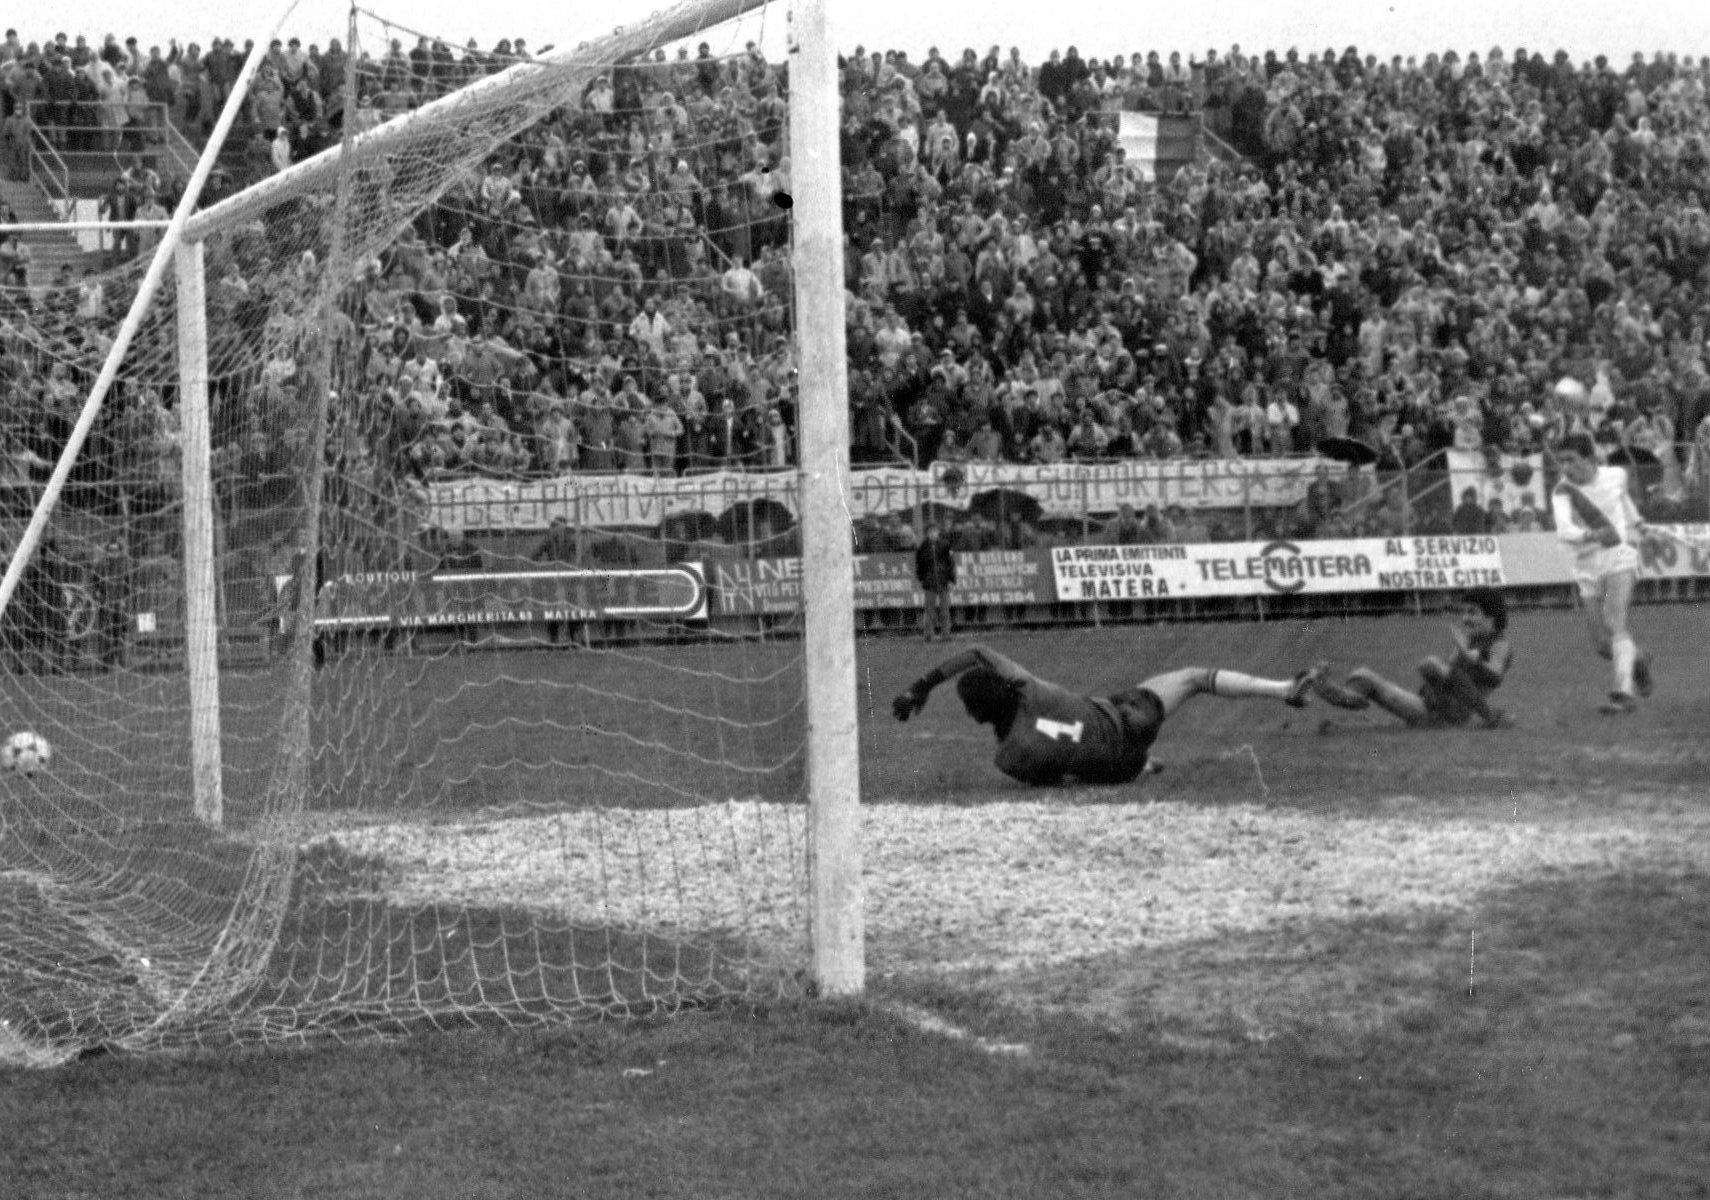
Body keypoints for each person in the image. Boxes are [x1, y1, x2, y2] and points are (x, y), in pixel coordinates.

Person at [892, 646, 1321, 786]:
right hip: (1128, 716)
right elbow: (978, 652)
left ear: (975, 715)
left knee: (1088, 759)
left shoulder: (1009, 757)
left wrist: (1131, 767)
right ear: (1002, 688)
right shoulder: (1029, 689)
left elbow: (1064, 779)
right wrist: (921, 685)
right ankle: (1284, 689)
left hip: (1118, 765)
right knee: (1195, 678)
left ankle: (1146, 763)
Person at [1549, 433, 1655, 715]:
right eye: (1562, 462)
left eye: (1571, 460)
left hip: (1619, 555)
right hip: (1586, 564)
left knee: (1613, 619)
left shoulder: (1616, 475)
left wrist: (1638, 523)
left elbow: (1624, 499)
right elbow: (1565, 531)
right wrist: (1593, 534)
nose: (1566, 467)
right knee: (1601, 645)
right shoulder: (1562, 490)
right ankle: (1639, 661)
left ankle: (1622, 693)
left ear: (1590, 458)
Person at [1309, 589, 1513, 729]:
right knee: (1363, 677)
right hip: (1434, 705)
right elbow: (1451, 677)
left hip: (1452, 716)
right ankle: (1335, 694)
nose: (1465, 618)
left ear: (1491, 617)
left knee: (1430, 665)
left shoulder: (1500, 644)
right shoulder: (1469, 640)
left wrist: (1466, 657)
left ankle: (1489, 715)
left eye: (1473, 612)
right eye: (1465, 612)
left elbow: (1494, 677)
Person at [913, 521, 956, 641]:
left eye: (935, 531)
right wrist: (922, 579)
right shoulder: (922, 548)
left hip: (943, 581)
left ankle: (946, 634)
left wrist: (951, 580)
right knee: (929, 610)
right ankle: (928, 634)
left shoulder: (945, 545)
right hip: (929, 583)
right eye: (930, 531)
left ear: (938, 532)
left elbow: (950, 564)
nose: (933, 534)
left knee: (945, 610)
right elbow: (919, 565)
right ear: (927, 533)